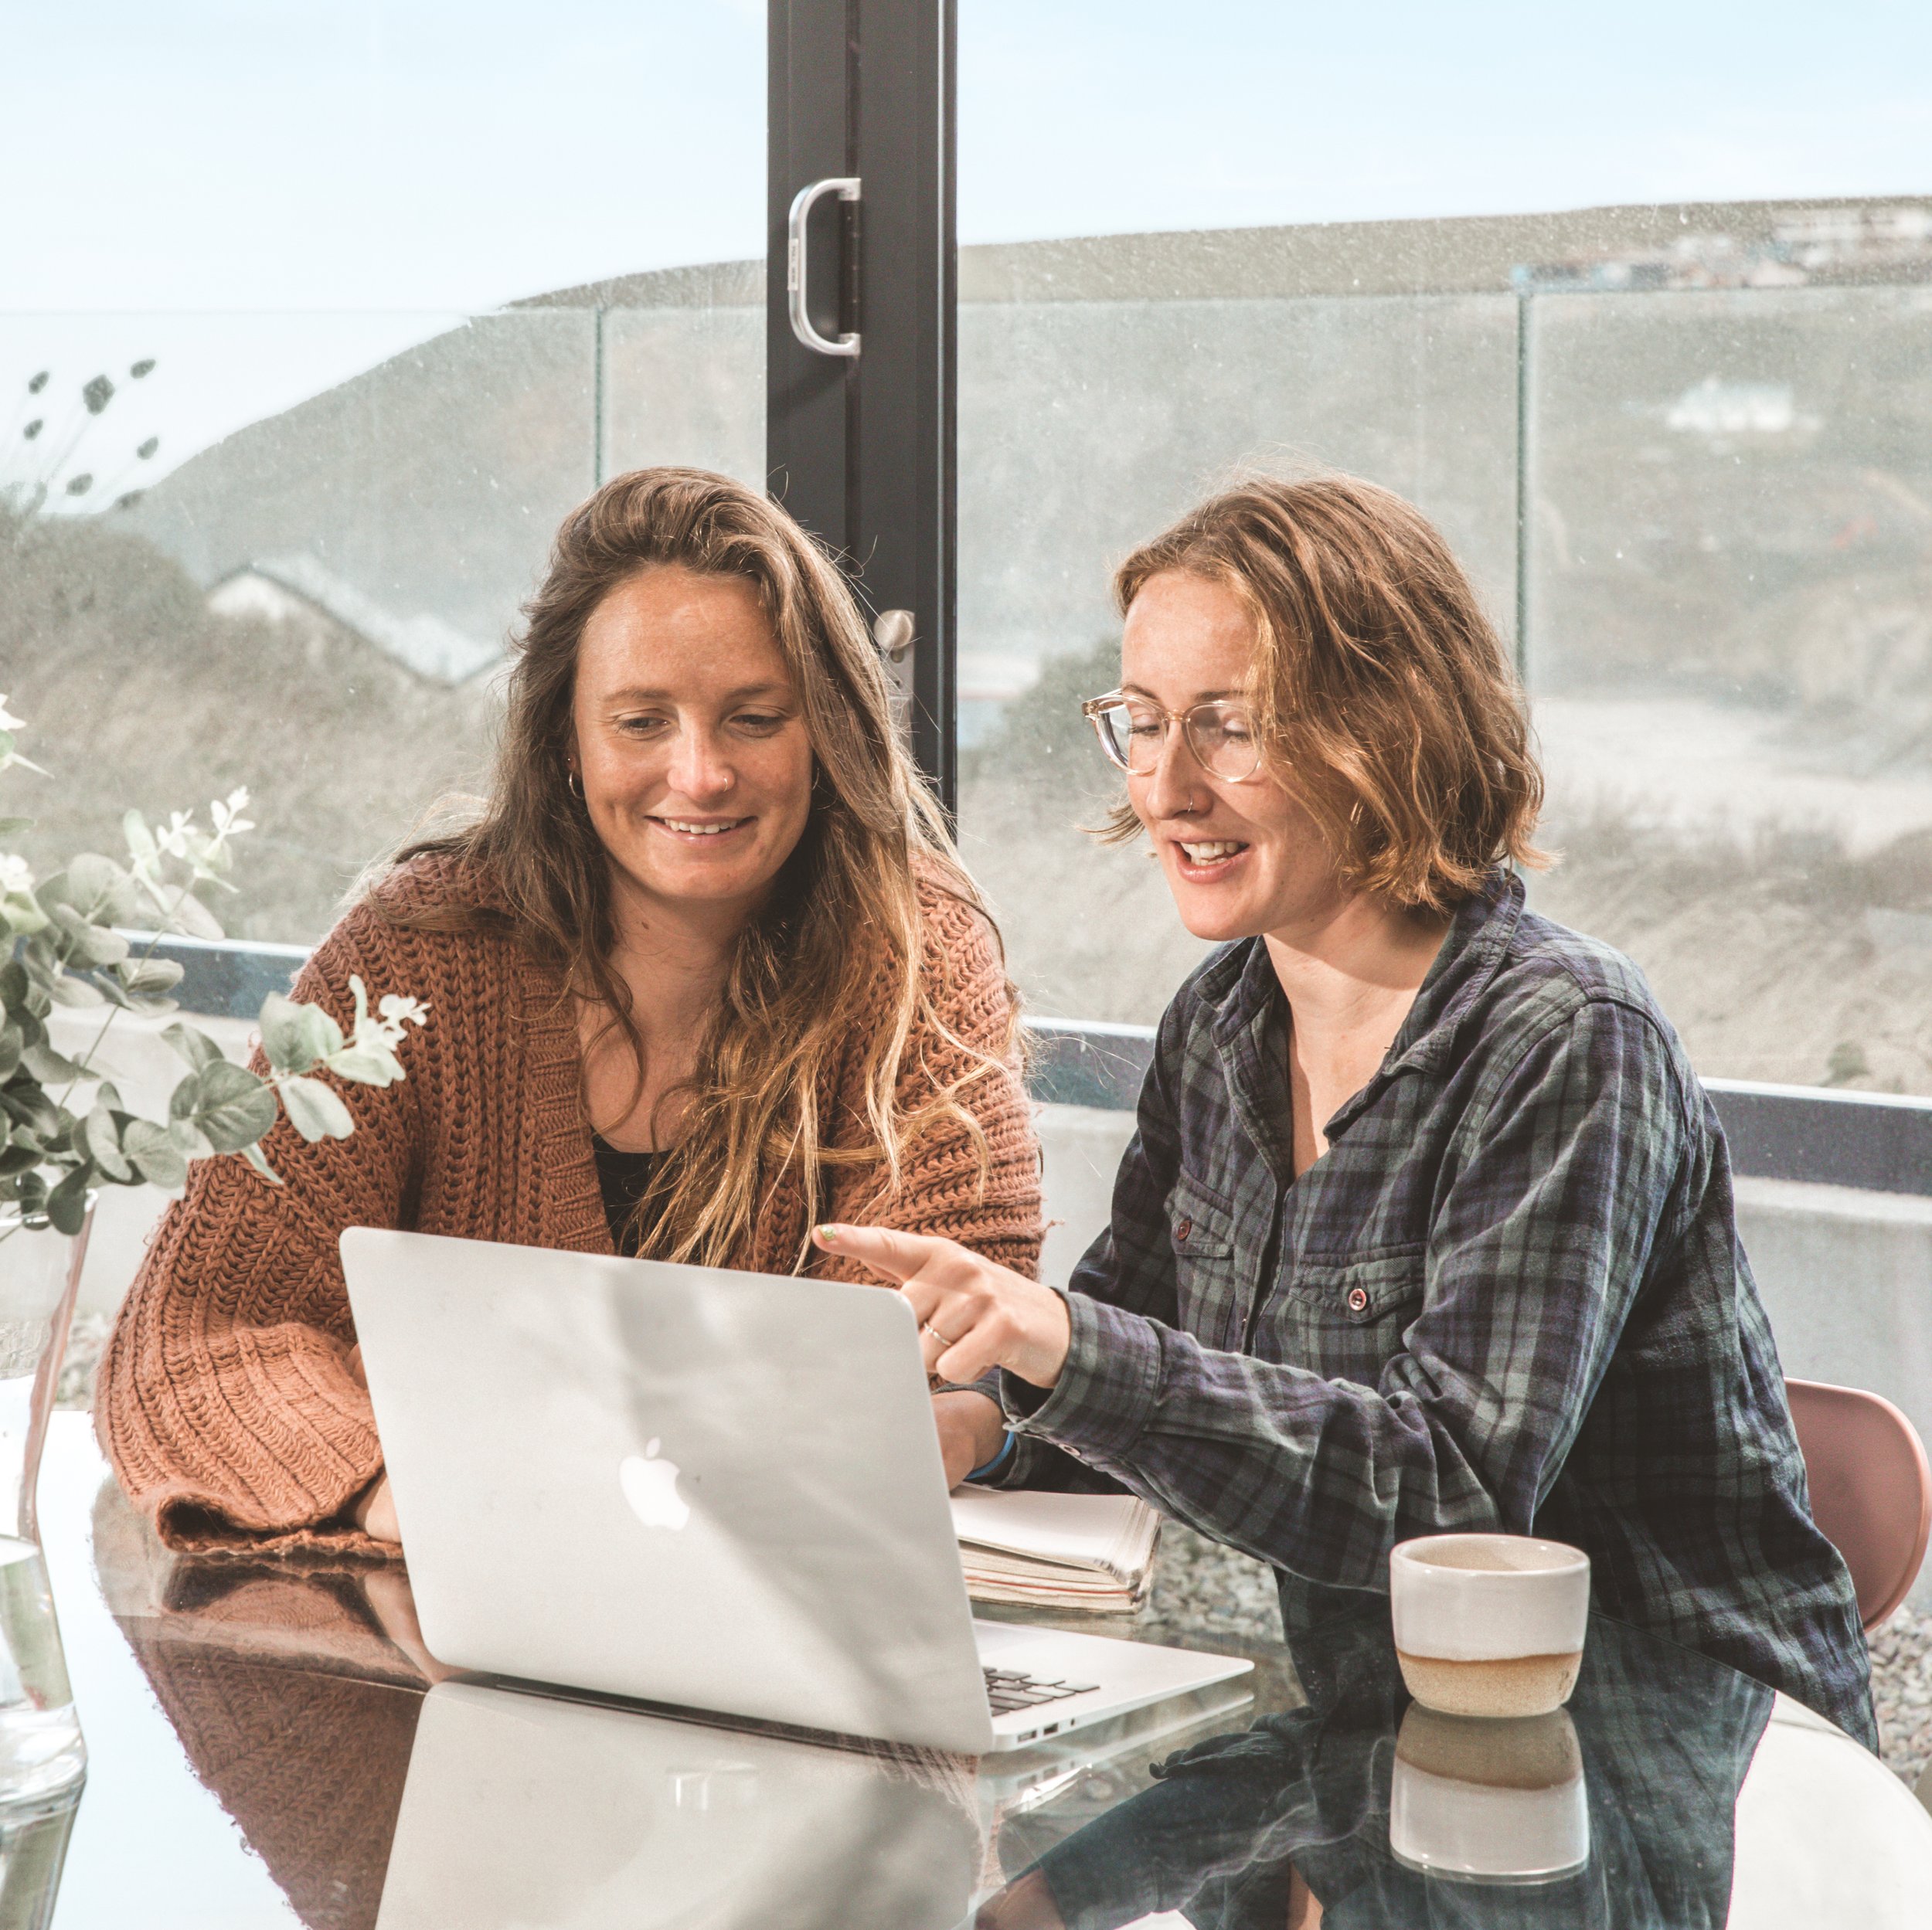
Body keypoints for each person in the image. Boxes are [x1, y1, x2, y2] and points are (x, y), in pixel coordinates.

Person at [815, 474, 1876, 1746]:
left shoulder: (1568, 1038)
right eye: (1142, 722)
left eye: (1232, 725)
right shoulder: (1219, 1025)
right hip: (1388, 1726)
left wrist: (1056, 1342)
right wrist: (974, 1427)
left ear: (1387, 727)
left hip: (1673, 1754)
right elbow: (1126, 1389)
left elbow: (1449, 1499)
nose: (1168, 787)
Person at [97, 466, 1040, 1555]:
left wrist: (470, 1419)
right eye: (642, 720)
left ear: (824, 731)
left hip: (787, 1629)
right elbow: (195, 1335)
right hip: (444, 1623)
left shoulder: (920, 950)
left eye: (754, 717)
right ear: (566, 740)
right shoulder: (417, 951)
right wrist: (390, 1482)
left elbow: (916, 1352)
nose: (701, 773)